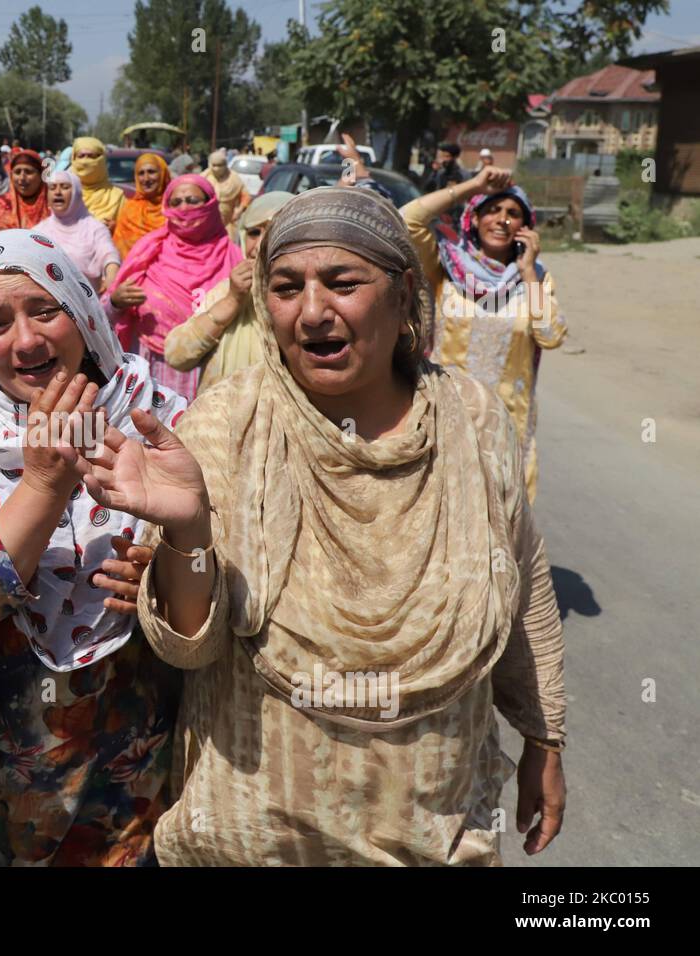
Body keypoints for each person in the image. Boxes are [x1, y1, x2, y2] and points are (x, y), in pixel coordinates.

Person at [62, 185, 567, 866]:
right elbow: (190, 647)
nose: (312, 313)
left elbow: (523, 576)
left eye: (342, 282)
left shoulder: (471, 419)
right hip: (255, 829)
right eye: (286, 286)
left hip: (433, 826)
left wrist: (544, 739)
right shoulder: (227, 424)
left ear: (403, 295)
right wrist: (187, 535)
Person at [0, 229, 185, 865]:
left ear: (82, 312)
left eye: (45, 310)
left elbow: (212, 565)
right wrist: (47, 481)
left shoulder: (153, 413)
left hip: (125, 771)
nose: (26, 341)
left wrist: (167, 575)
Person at [402, 165, 566, 503]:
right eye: (492, 209)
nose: (502, 219)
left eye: (513, 213)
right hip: (446, 417)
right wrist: (473, 185)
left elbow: (551, 335)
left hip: (505, 428)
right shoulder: (446, 266)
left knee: (496, 526)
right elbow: (408, 220)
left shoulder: (535, 279)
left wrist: (529, 275)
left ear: (525, 228)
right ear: (474, 219)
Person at [105, 174, 242, 399]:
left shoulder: (233, 257)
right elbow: (105, 313)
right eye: (176, 202)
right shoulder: (148, 250)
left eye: (192, 200)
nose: (184, 208)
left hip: (210, 378)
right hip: (151, 378)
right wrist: (116, 302)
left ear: (210, 204)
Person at [163, 191, 292, 393]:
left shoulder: (311, 298)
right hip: (220, 422)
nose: (259, 245)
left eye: (274, 232)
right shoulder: (229, 289)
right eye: (254, 233)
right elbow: (176, 355)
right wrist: (232, 301)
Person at [32, 170, 122, 294]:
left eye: (65, 187)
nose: (57, 192)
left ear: (77, 193)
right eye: (52, 188)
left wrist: (111, 277)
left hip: (89, 303)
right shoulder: (38, 232)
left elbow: (108, 253)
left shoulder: (95, 228)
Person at [111, 152, 171, 260]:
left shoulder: (175, 206)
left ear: (163, 173)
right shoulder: (129, 209)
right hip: (132, 274)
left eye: (151, 172)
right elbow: (120, 249)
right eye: (141, 173)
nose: (146, 179)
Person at [0, 147, 50, 230]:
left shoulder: (52, 207)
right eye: (17, 172)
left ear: (41, 175)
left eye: (28, 172)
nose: (22, 178)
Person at [71, 136, 126, 232]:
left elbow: (129, 231)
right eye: (81, 156)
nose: (85, 162)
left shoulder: (117, 196)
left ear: (101, 160)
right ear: (73, 158)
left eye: (91, 156)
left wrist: (116, 228)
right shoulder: (62, 194)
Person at [205, 149, 248, 229]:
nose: (217, 168)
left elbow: (245, 196)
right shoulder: (204, 177)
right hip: (206, 222)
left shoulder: (234, 178)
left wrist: (239, 210)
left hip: (228, 222)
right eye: (214, 165)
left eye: (220, 165)